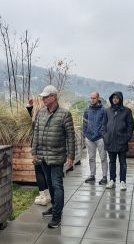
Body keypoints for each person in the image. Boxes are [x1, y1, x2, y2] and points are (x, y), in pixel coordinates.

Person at [32, 85, 76, 228]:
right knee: (49, 184)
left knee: (57, 185)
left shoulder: (65, 114)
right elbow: (36, 134)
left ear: (54, 97)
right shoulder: (41, 113)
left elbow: (71, 137)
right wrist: (34, 152)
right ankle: (55, 207)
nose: (43, 99)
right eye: (43, 97)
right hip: (43, 156)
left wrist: (71, 155)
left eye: (46, 96)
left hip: (57, 157)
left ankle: (57, 216)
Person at [102, 91, 134, 191]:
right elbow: (103, 126)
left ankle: (123, 181)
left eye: (117, 98)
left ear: (120, 99)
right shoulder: (107, 111)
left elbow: (130, 126)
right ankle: (112, 180)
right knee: (111, 162)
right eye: (113, 98)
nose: (115, 99)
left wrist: (126, 138)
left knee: (123, 162)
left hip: (122, 141)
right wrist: (105, 136)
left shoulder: (127, 111)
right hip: (110, 141)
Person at [26, 97, 50, 206]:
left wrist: (34, 150)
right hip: (47, 148)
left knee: (39, 171)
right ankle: (47, 195)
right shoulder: (46, 115)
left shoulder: (37, 118)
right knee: (45, 171)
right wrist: (31, 105)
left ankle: (43, 196)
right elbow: (31, 112)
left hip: (38, 148)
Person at [83, 92, 108, 185]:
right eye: (91, 98)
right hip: (89, 138)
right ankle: (92, 175)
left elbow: (106, 124)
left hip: (100, 138)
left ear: (98, 98)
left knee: (103, 158)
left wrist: (103, 133)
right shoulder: (87, 110)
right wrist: (85, 134)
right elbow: (84, 123)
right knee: (91, 158)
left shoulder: (103, 110)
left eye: (94, 98)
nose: (92, 99)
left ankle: (104, 177)